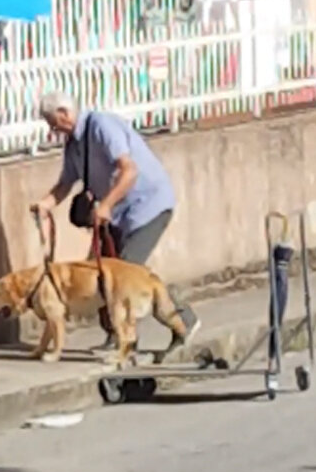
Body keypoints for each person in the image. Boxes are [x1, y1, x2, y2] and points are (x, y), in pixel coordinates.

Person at [30, 91, 198, 351]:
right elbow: (66, 182)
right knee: (97, 276)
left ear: (64, 112)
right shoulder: (73, 143)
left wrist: (106, 204)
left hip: (147, 206)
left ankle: (181, 320)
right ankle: (115, 335)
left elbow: (129, 170)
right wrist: (46, 204)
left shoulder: (102, 126)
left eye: (51, 120)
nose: (51, 127)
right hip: (117, 215)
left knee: (125, 273)